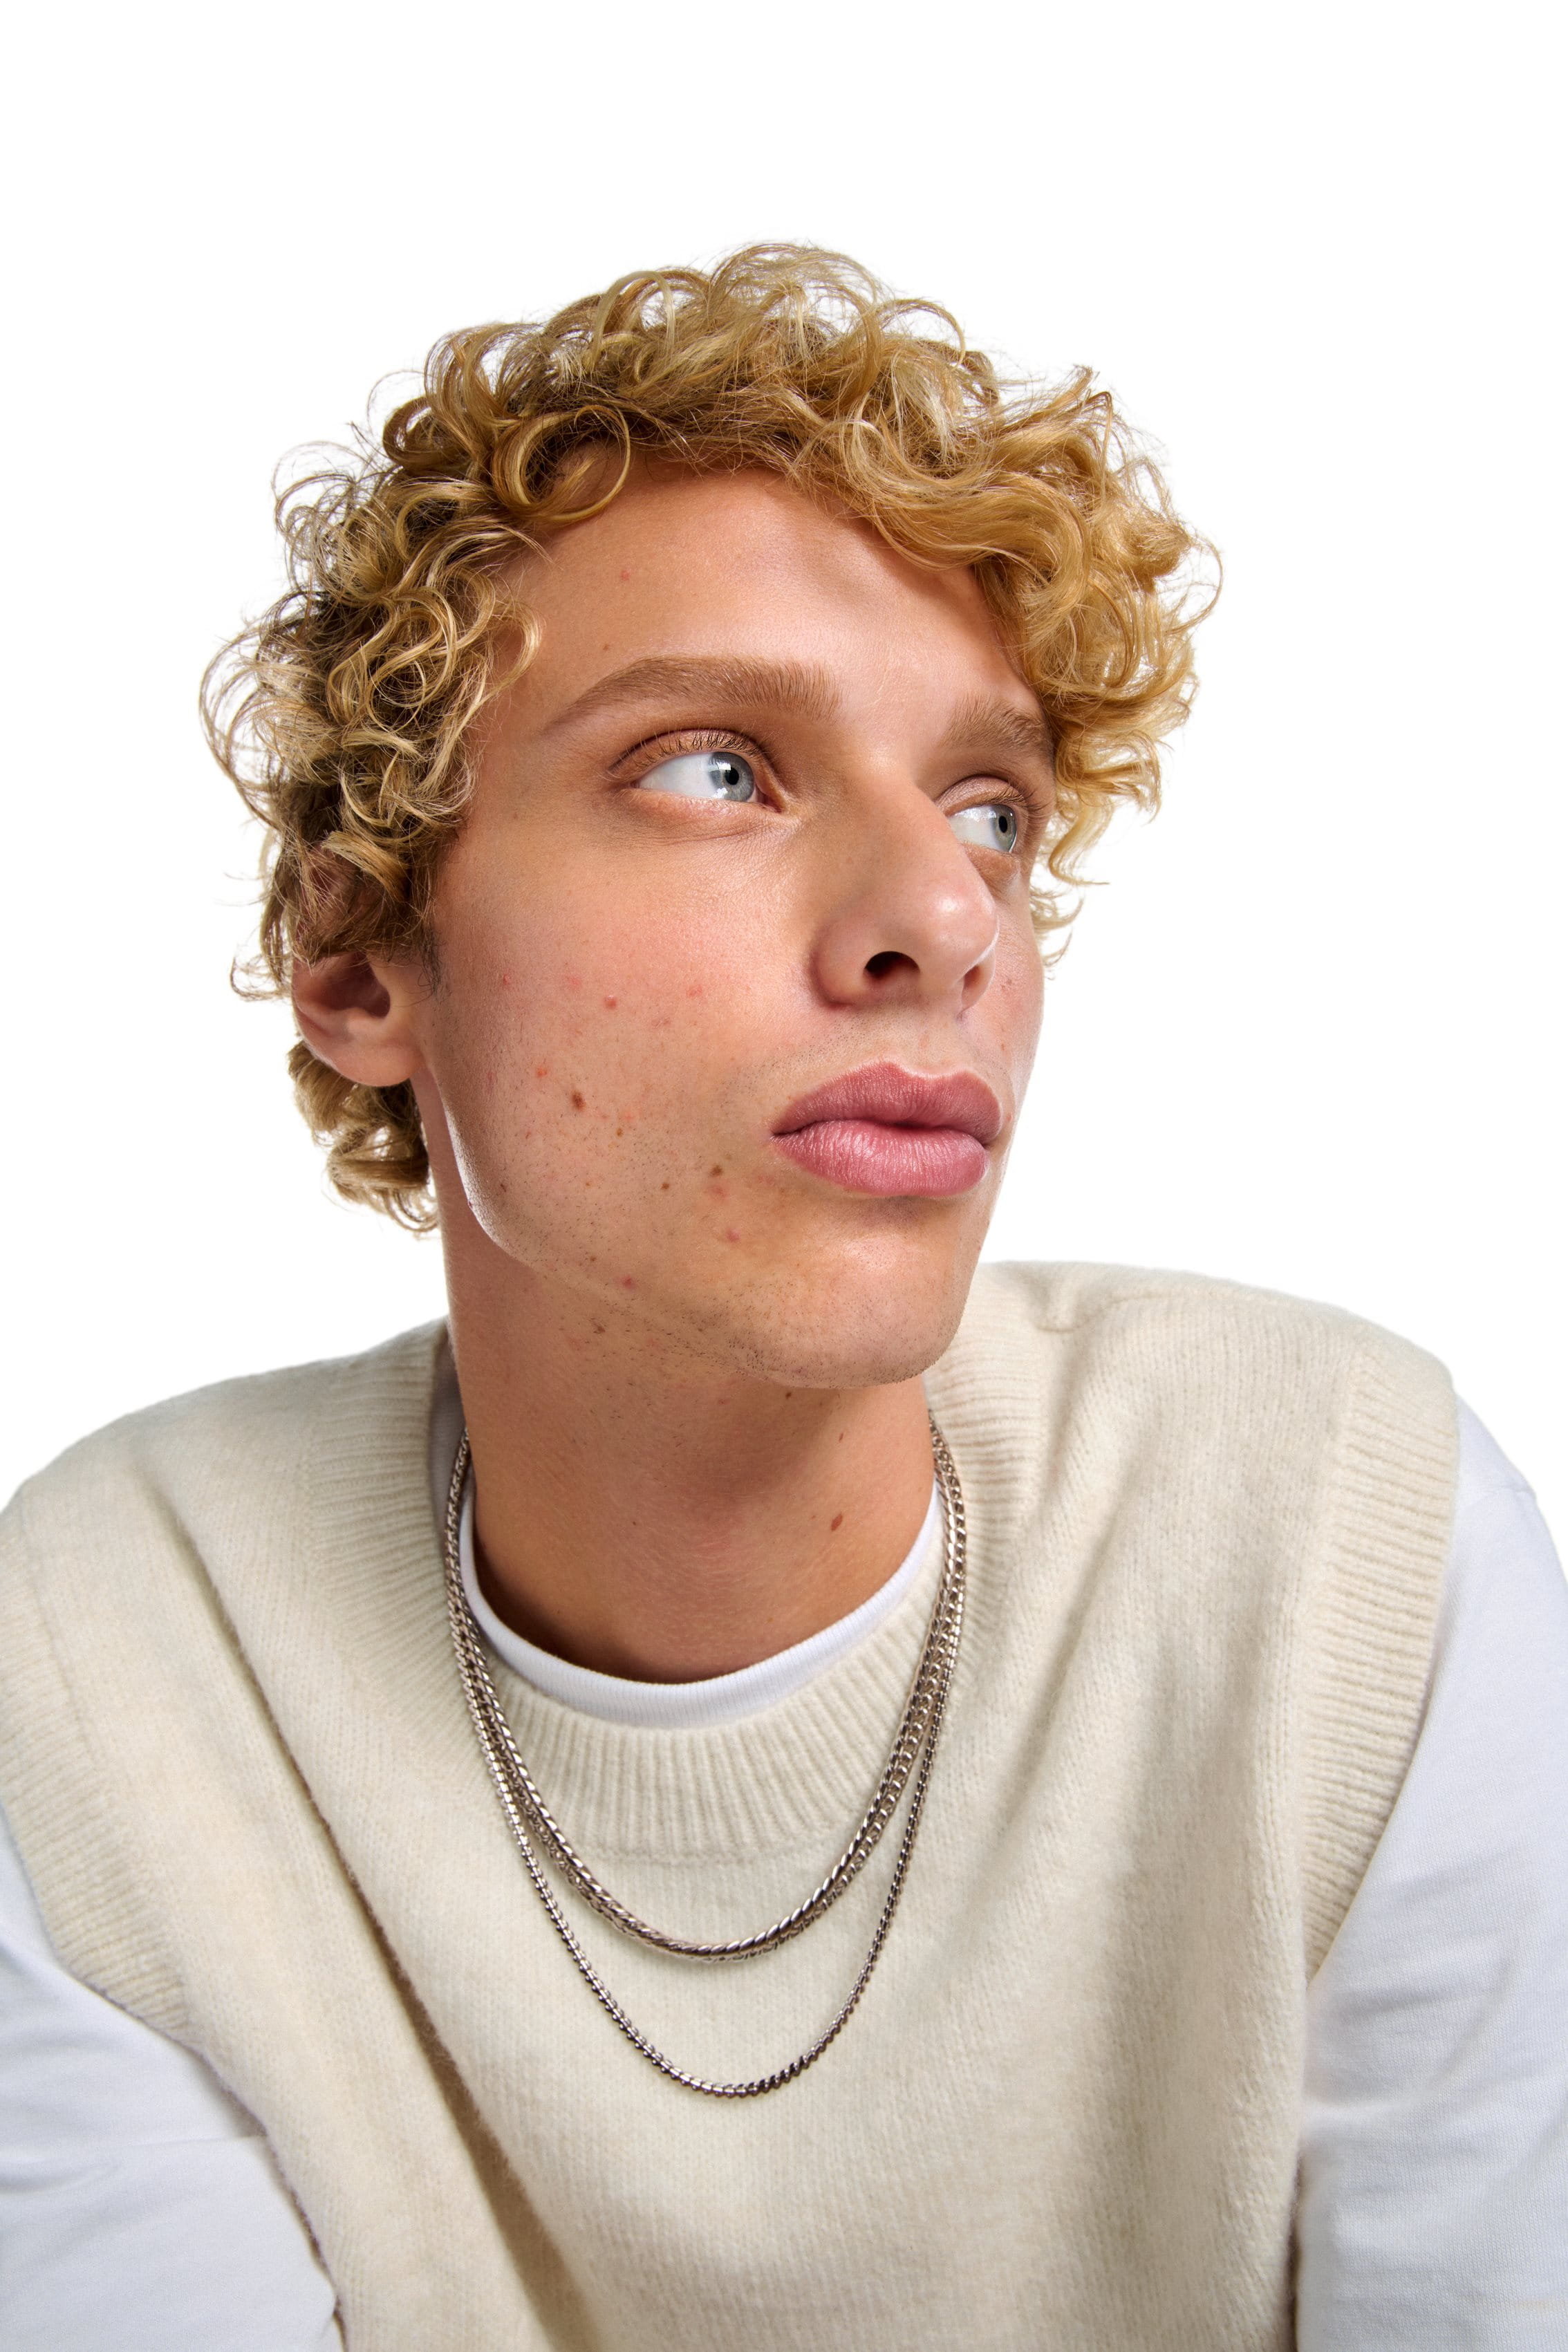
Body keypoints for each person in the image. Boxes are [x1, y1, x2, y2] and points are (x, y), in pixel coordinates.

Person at [1, 247, 1564, 2352]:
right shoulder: (109, 1662)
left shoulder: (1345, 1546)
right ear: (363, 960)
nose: (943, 915)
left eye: (991, 809)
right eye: (714, 766)